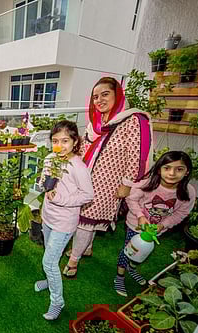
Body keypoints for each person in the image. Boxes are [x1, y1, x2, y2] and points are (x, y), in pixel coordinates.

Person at [63, 77, 153, 277]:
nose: (99, 100)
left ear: (118, 95)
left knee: (85, 220)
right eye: (95, 97)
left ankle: (73, 261)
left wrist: (127, 184)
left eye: (105, 94)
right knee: (88, 219)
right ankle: (86, 248)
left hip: (109, 184)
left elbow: (137, 155)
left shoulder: (133, 120)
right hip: (87, 178)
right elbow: (84, 148)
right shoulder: (96, 122)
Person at [34, 121, 94, 320]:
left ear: (75, 141)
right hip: (48, 216)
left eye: (65, 141)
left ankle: (57, 301)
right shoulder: (51, 158)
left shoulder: (78, 166)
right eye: (55, 141)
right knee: (50, 255)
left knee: (49, 262)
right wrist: (44, 184)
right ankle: (50, 281)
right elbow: (44, 180)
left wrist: (62, 199)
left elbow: (87, 196)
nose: (59, 145)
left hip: (65, 222)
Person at [114, 151, 195, 297]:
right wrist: (140, 216)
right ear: (159, 169)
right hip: (135, 226)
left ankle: (132, 269)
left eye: (179, 169)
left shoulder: (188, 192)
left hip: (157, 231)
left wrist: (164, 225)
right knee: (130, 250)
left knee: (142, 252)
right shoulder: (148, 183)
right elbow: (131, 199)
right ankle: (119, 276)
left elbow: (181, 213)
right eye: (167, 168)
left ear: (187, 171)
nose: (172, 173)